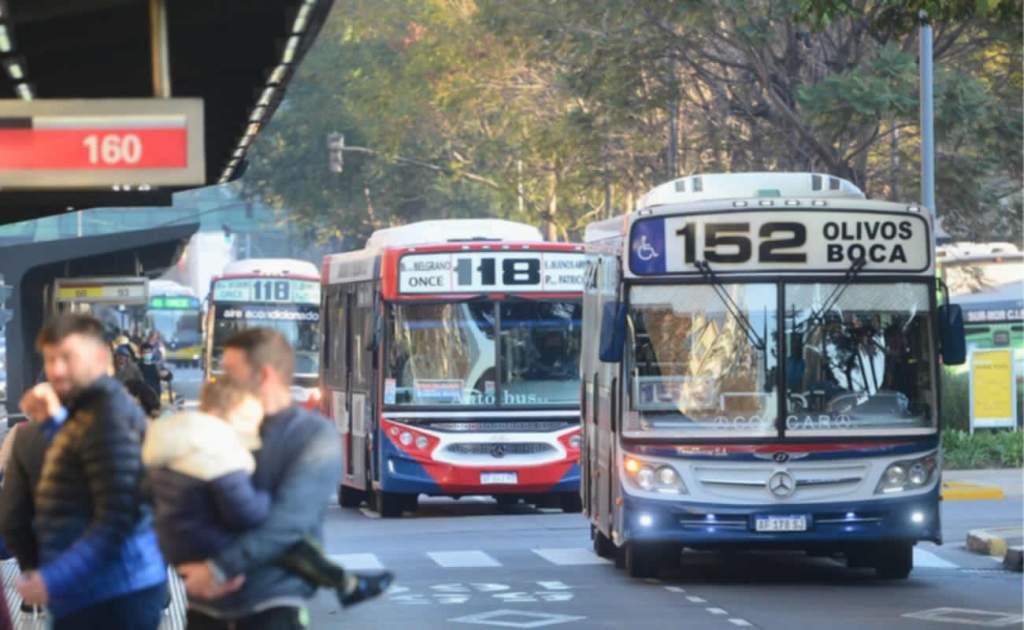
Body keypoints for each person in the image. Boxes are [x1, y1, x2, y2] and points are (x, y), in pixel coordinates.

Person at [177, 328, 386, 628]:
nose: (221, 381)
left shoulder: (312, 436)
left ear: (264, 375)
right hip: (205, 606)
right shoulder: (213, 427)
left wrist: (218, 570)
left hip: (271, 605)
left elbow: (288, 523)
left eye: (231, 372)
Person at [145, 380, 391, 610]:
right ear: (229, 412)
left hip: (178, 538)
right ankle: (346, 585)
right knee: (282, 537)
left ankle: (347, 584)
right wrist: (268, 499)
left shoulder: (176, 438)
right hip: (207, 542)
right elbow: (245, 511)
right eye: (247, 417)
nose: (252, 426)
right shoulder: (216, 448)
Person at [16, 314, 168, 629]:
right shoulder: (91, 409)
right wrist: (52, 424)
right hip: (98, 589)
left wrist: (53, 579)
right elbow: (87, 466)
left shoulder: (107, 418)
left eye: (68, 358)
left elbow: (116, 520)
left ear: (99, 358)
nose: (57, 370)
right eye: (50, 359)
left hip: (113, 595)